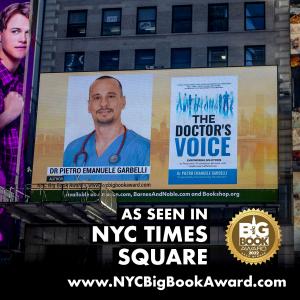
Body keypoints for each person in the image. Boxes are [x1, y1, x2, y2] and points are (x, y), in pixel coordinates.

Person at [63, 76, 151, 181]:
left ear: (123, 102)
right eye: (97, 97)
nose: (104, 104)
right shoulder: (73, 149)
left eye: (111, 96)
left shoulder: (145, 149)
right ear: (89, 105)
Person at [0, 2, 30, 190]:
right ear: (0, 35)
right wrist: (7, 115)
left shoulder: (26, 84)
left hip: (12, 204)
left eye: (28, 32)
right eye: (16, 31)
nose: (23, 39)